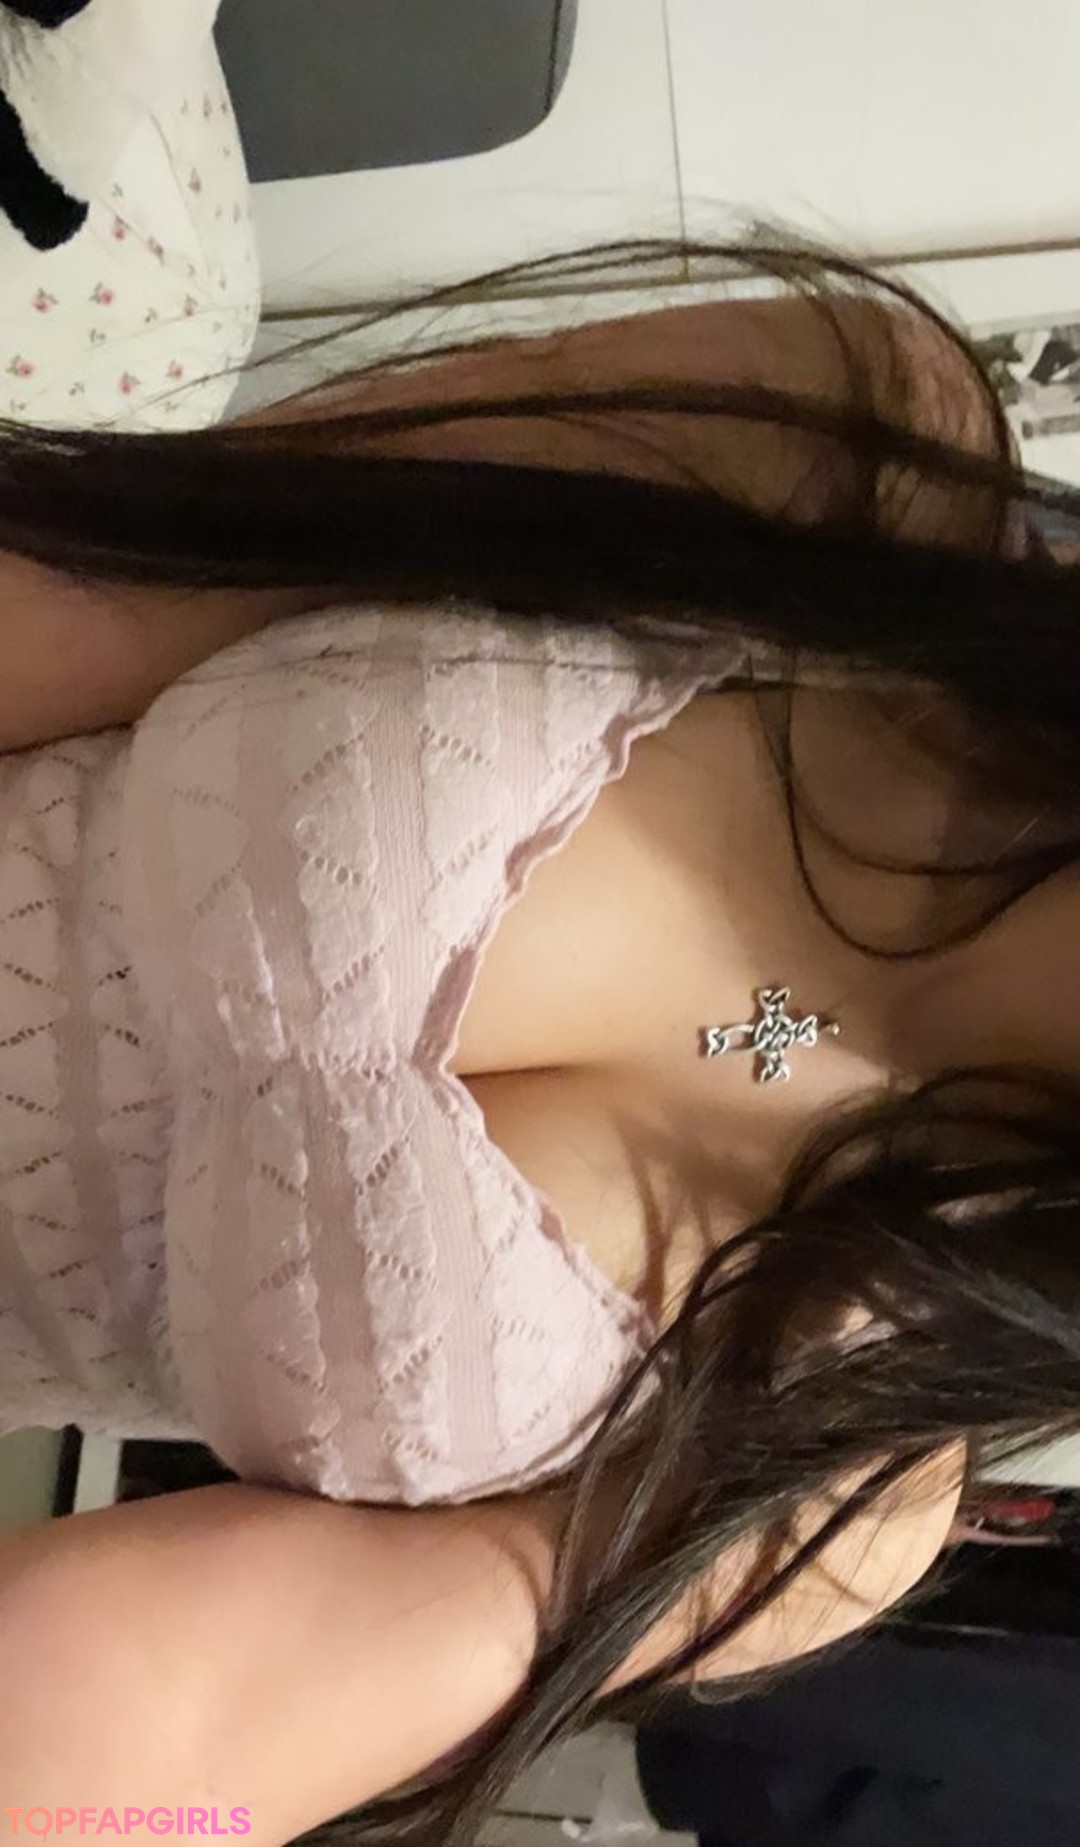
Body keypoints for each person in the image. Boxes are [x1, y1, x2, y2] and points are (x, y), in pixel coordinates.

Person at [0, 236, 1078, 1847]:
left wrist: (584, 1593)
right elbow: (75, 581)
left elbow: (100, 1781)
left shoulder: (843, 1495)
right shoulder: (837, 459)